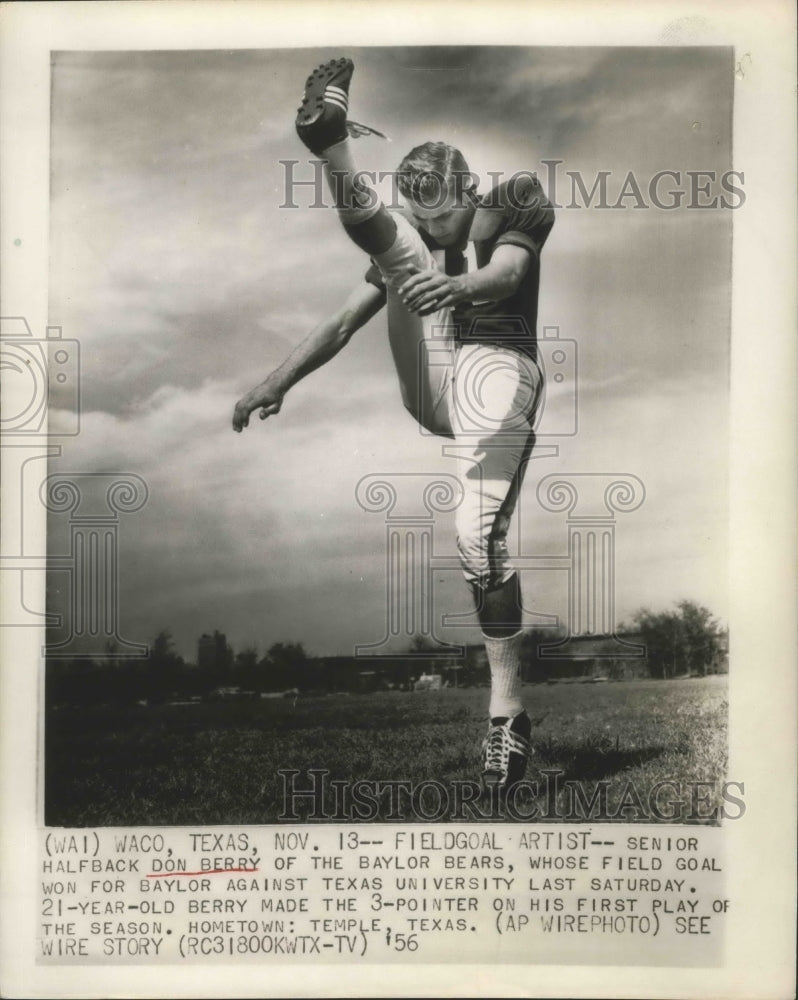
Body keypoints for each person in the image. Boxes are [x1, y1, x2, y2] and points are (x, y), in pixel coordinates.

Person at [233, 57, 555, 798]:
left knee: (476, 537)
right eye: (422, 212)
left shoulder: (514, 199)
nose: (437, 224)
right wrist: (273, 383)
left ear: (469, 190)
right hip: (436, 383)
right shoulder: (412, 237)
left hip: (500, 371)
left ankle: (507, 716)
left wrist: (457, 282)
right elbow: (344, 323)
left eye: (445, 213)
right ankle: (330, 141)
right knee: (398, 253)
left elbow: (505, 276)